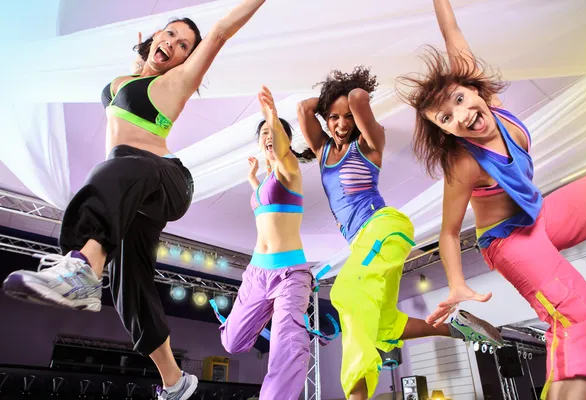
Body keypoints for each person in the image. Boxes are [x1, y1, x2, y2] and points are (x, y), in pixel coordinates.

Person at [2, 2, 266, 399]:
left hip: (165, 180)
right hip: (130, 194)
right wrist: (139, 55)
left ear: (186, 61)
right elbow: (127, 91)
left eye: (183, 46)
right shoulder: (120, 82)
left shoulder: (175, 84)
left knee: (117, 166)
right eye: (170, 34)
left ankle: (81, 270)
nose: (173, 44)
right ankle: (175, 382)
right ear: (156, 36)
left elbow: (220, 32)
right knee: (130, 288)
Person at [398, 1, 586, 399]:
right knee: (581, 318)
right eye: (445, 118)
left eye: (457, 100)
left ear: (472, 88)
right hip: (509, 243)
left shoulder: (493, 108)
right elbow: (450, 233)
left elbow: (452, 34)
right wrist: (455, 285)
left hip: (539, 216)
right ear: (446, 132)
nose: (460, 115)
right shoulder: (464, 164)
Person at [297, 67, 503, 400]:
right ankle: (458, 329)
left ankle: (357, 395)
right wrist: (327, 105)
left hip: (383, 227)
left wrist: (350, 95)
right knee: (383, 324)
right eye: (333, 118)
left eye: (347, 117)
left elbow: (359, 98)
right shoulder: (323, 154)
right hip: (368, 241)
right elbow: (305, 110)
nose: (341, 123)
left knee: (346, 293)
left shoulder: (368, 145)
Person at [210, 86, 315, 400]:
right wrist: (253, 178)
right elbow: (262, 199)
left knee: (287, 345)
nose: (269, 136)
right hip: (257, 273)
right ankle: (273, 313)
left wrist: (271, 116)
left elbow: (282, 156)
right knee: (231, 342)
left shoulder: (290, 171)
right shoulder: (265, 183)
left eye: (276, 132)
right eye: (264, 133)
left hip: (289, 275)